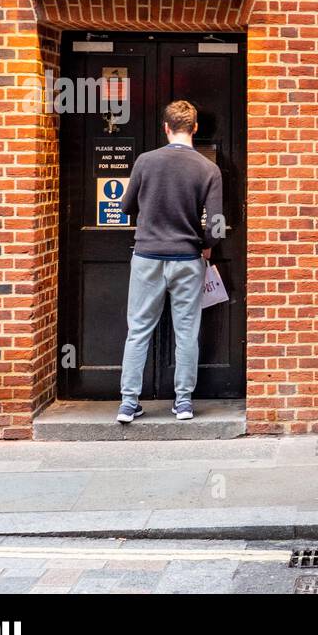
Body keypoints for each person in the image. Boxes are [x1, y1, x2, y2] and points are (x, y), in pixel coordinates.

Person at [116, 100, 223, 423]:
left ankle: (128, 403)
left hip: (147, 256)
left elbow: (125, 207)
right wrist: (206, 246)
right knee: (187, 331)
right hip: (187, 258)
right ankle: (184, 402)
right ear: (195, 128)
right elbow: (215, 224)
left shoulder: (146, 162)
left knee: (138, 329)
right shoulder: (208, 168)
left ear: (166, 128)